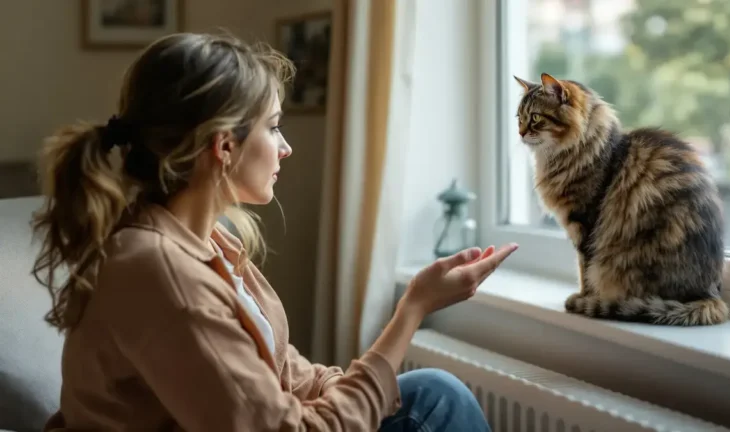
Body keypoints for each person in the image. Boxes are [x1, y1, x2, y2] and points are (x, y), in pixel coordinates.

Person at [31, 32, 517, 431]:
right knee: (437, 402)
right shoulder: (161, 270)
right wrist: (412, 310)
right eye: (273, 128)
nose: (285, 148)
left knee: (431, 392)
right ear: (224, 146)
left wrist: (340, 388)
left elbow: (284, 371)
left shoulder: (210, 244)